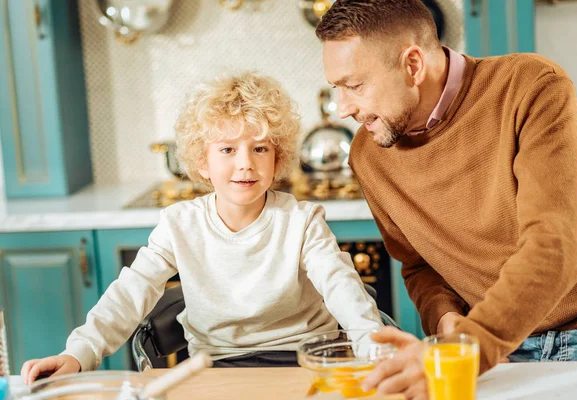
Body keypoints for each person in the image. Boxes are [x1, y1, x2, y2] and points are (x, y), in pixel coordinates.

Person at [316, 0, 577, 398]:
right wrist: (446, 319)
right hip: (490, 349)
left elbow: (554, 249)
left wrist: (466, 348)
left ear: (412, 65)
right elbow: (418, 266)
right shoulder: (368, 155)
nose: (344, 108)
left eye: (355, 85)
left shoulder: (531, 86)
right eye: (337, 89)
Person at [20, 72, 383, 384]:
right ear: (202, 161)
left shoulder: (302, 221)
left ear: (278, 158)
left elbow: (342, 288)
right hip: (214, 366)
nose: (245, 164)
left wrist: (375, 347)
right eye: (227, 150)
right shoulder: (179, 224)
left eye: (259, 149)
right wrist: (79, 353)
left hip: (305, 361)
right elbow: (131, 292)